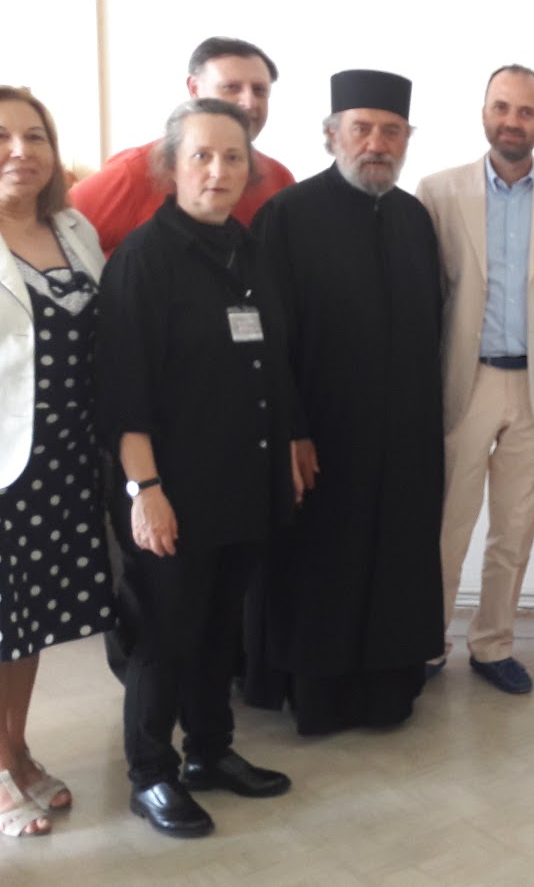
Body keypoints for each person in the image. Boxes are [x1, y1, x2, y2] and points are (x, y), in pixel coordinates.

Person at [97, 99, 296, 838]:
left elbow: (269, 362)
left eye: (233, 157)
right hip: (170, 488)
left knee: (220, 628)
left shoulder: (247, 248)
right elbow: (123, 394)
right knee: (166, 634)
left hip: (240, 481)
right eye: (202, 156)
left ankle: (210, 751)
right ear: (172, 167)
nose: (219, 170)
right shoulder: (142, 261)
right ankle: (150, 774)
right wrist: (145, 491)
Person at [245, 69, 445, 735]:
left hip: (404, 438)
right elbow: (268, 341)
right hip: (321, 437)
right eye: (362, 129)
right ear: (332, 134)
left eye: (391, 131)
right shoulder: (288, 216)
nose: (376, 144)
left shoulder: (415, 220)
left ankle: (387, 687)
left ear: (407, 139)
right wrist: (292, 429)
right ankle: (320, 697)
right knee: (321, 562)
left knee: (395, 558)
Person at [416, 65, 534, 695]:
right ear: (484, 111)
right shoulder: (437, 193)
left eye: (525, 111)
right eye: (501, 107)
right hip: (462, 384)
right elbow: (422, 297)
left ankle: (492, 646)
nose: (512, 121)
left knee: (513, 532)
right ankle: (426, 643)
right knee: (445, 528)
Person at [0, 86, 114, 839]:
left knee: (29, 620)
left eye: (35, 135)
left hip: (65, 461)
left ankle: (16, 748)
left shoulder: (74, 228)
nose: (21, 151)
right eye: (2, 136)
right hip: (2, 465)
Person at [69, 37, 294, 256]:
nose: (249, 102)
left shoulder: (278, 178)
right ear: (194, 88)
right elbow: (57, 230)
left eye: (259, 90)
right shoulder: (136, 170)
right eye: (231, 88)